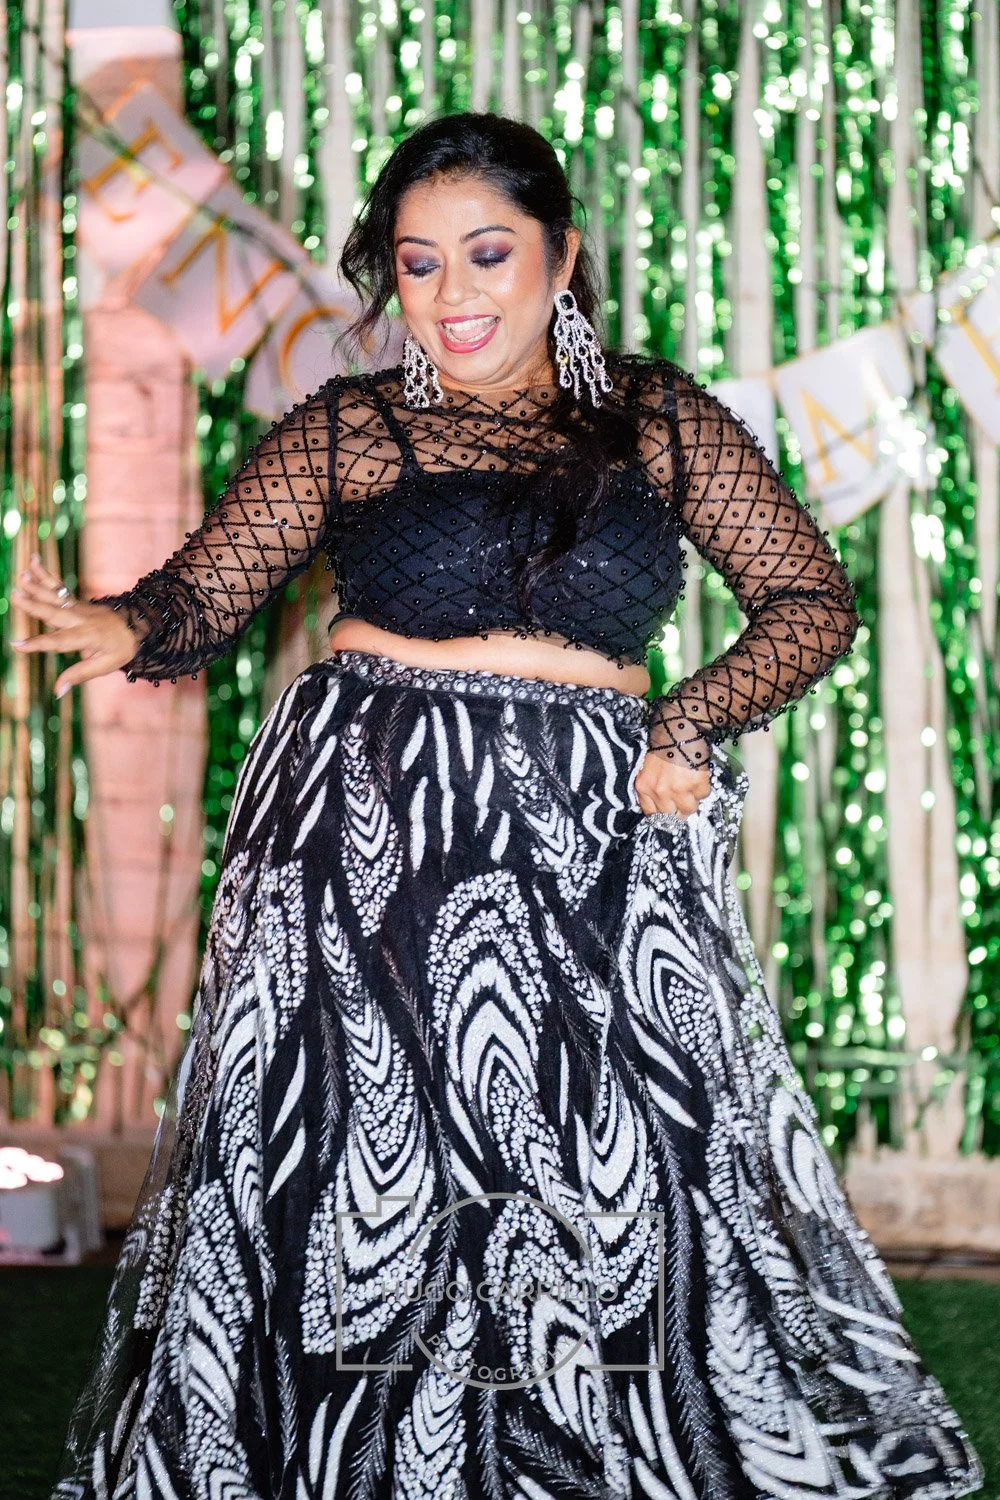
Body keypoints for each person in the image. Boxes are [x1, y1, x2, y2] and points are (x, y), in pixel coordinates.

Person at [15, 112, 980, 1500]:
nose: (455, 295)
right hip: (366, 823)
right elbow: (204, 595)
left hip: (590, 834)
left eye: (486, 255)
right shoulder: (354, 426)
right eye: (419, 264)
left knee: (607, 1165)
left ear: (561, 256)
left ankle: (587, 1451)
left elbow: (807, 602)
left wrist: (694, 717)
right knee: (347, 1158)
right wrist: (120, 626)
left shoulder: (657, 421)